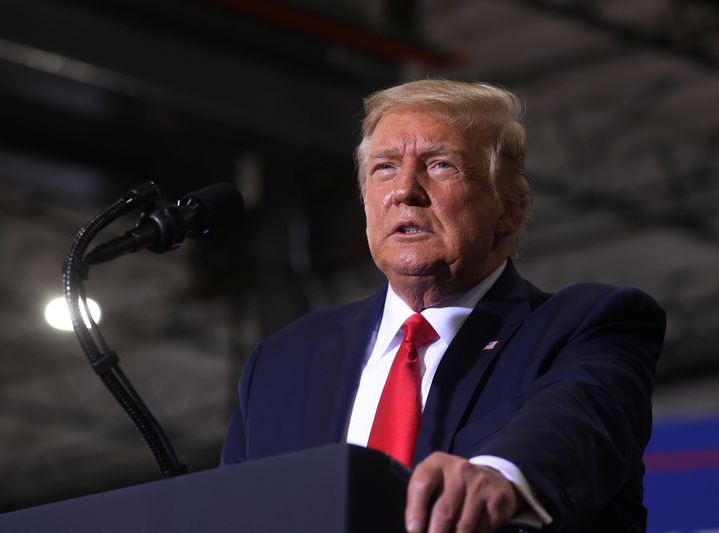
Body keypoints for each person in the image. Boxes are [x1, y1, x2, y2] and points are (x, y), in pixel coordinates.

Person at [221, 79, 665, 532]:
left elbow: (576, 421)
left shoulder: (587, 326)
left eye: (440, 165)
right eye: (385, 168)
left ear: (510, 210)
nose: (405, 190)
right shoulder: (281, 364)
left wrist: (498, 477)